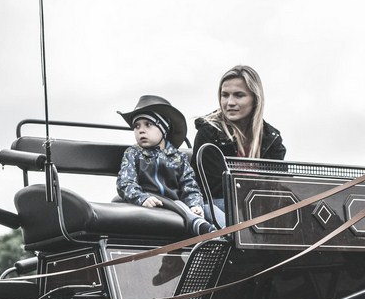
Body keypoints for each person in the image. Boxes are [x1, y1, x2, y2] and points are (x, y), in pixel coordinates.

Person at [192, 65, 286, 226]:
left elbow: (277, 185)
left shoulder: (272, 139)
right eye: (225, 95)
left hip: (261, 209)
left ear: (255, 99)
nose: (230, 102)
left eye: (239, 95)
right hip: (220, 208)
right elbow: (214, 188)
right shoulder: (209, 134)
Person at [116, 95, 215, 235]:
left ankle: (228, 234)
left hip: (174, 204)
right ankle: (199, 226)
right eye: (136, 126)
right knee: (180, 205)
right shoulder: (133, 153)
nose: (141, 130)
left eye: (148, 124)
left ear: (164, 128)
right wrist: (142, 198)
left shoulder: (178, 158)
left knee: (210, 210)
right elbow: (126, 182)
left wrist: (195, 204)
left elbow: (190, 186)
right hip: (150, 201)